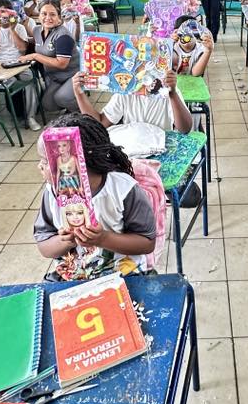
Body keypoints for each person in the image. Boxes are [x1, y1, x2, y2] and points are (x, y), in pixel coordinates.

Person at [34, 114, 157, 281]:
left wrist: (103, 239)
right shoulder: (51, 193)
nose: (39, 166)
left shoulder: (123, 190)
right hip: (71, 276)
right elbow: (44, 247)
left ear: (77, 162)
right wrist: (67, 241)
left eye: (45, 160)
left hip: (124, 274)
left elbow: (147, 243)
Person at [73, 70, 193, 134]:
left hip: (162, 148)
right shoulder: (125, 93)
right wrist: (79, 93)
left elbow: (185, 128)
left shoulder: (167, 92)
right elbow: (99, 123)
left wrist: (173, 94)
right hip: (135, 152)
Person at [0, 0, 41, 132]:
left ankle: (31, 116)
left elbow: (22, 49)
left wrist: (12, 28)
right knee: (9, 83)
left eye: (5, 11)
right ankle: (15, 112)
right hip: (0, 65)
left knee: (29, 80)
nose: (2, 16)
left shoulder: (19, 27)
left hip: (19, 62)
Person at [18, 0, 79, 114]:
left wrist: (35, 56)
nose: (48, 18)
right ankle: (70, 104)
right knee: (48, 104)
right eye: (44, 14)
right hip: (56, 77)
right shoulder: (37, 30)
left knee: (62, 97)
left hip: (74, 75)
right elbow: (38, 42)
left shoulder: (63, 36)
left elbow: (61, 64)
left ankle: (83, 112)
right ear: (39, 15)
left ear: (59, 17)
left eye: (52, 14)